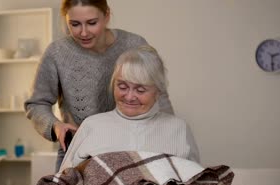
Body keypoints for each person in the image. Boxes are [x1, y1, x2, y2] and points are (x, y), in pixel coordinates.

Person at [24, 0, 174, 171]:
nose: (83, 32)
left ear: (107, 16)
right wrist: (55, 126)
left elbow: (159, 96)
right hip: (78, 155)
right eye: (74, 24)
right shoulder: (57, 53)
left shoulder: (134, 45)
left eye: (92, 23)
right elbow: (36, 104)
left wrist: (171, 135)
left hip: (132, 151)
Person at [59, 44, 200, 172]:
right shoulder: (92, 125)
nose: (129, 97)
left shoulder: (179, 129)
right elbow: (64, 180)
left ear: (158, 92)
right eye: (122, 87)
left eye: (140, 90)